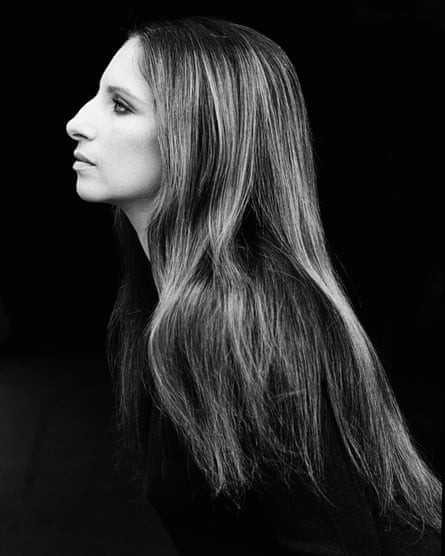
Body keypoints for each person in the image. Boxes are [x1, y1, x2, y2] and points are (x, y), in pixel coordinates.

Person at [65, 16, 442, 555]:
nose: (77, 122)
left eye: (120, 105)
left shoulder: (240, 319)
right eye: (96, 97)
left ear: (202, 138)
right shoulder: (167, 303)